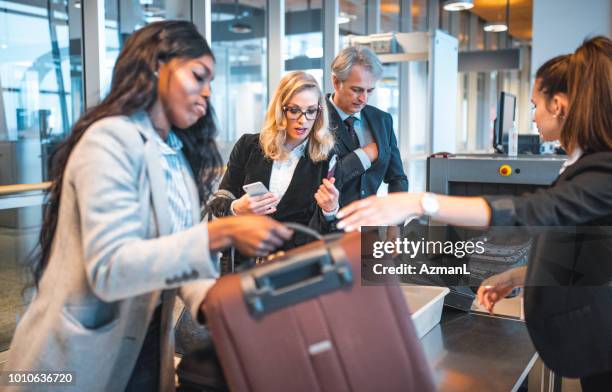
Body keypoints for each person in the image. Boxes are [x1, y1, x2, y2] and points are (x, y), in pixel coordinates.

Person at [5, 21, 292, 392]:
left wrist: (220, 306)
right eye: (198, 76)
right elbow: (110, 266)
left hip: (145, 350)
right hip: (76, 359)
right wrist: (218, 233)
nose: (207, 93)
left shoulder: (174, 152)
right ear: (157, 66)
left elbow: (182, 256)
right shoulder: (108, 141)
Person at [337, 37, 612, 390]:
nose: (533, 116)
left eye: (535, 105)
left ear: (558, 105)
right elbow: (588, 250)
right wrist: (521, 275)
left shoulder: (602, 170)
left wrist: (420, 202)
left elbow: (537, 211)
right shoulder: (586, 165)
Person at [208, 71, 339, 255]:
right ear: (280, 109)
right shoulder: (248, 146)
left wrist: (330, 210)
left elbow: (329, 234)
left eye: (310, 111)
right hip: (246, 263)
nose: (303, 120)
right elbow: (218, 202)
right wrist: (237, 208)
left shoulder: (326, 157)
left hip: (295, 265)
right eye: (294, 110)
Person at [326, 46, 408, 207]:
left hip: (369, 226)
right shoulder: (313, 119)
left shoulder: (382, 120)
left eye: (370, 91)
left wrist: (395, 222)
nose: (363, 99)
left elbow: (397, 178)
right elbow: (321, 179)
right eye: (356, 90)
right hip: (327, 226)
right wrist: (364, 155)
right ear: (336, 82)